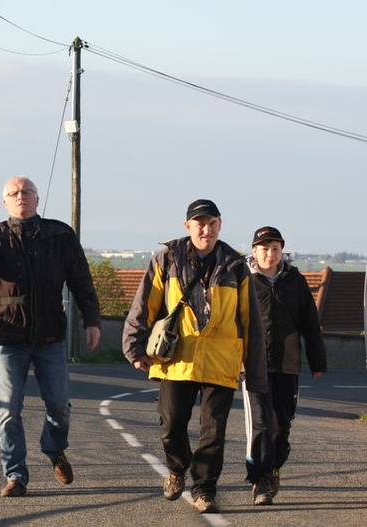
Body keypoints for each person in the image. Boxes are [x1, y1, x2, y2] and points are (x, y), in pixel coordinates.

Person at [0, 176, 101, 498]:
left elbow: (81, 280)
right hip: (9, 336)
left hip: (51, 335)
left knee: (59, 407)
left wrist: (92, 321)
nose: (20, 196)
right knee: (9, 410)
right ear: (6, 202)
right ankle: (15, 476)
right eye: (13, 193)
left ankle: (54, 448)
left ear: (37, 198)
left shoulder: (60, 234)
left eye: (26, 192)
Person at [122, 199, 267, 514]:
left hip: (221, 360)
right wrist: (134, 349)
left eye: (212, 223)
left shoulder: (234, 264)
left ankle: (204, 490)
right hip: (177, 360)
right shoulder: (168, 259)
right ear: (187, 226)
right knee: (171, 425)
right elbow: (144, 304)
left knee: (213, 432)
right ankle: (177, 468)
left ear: (220, 225)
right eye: (200, 223)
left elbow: (250, 321)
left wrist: (255, 372)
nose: (207, 229)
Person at [243, 226, 327, 505]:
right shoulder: (244, 280)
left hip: (288, 364)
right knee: (261, 425)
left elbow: (310, 325)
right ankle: (260, 480)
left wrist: (317, 361)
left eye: (275, 248)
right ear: (254, 251)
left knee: (282, 426)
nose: (270, 253)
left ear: (282, 251)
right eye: (265, 248)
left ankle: (273, 467)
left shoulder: (295, 280)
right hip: (253, 366)